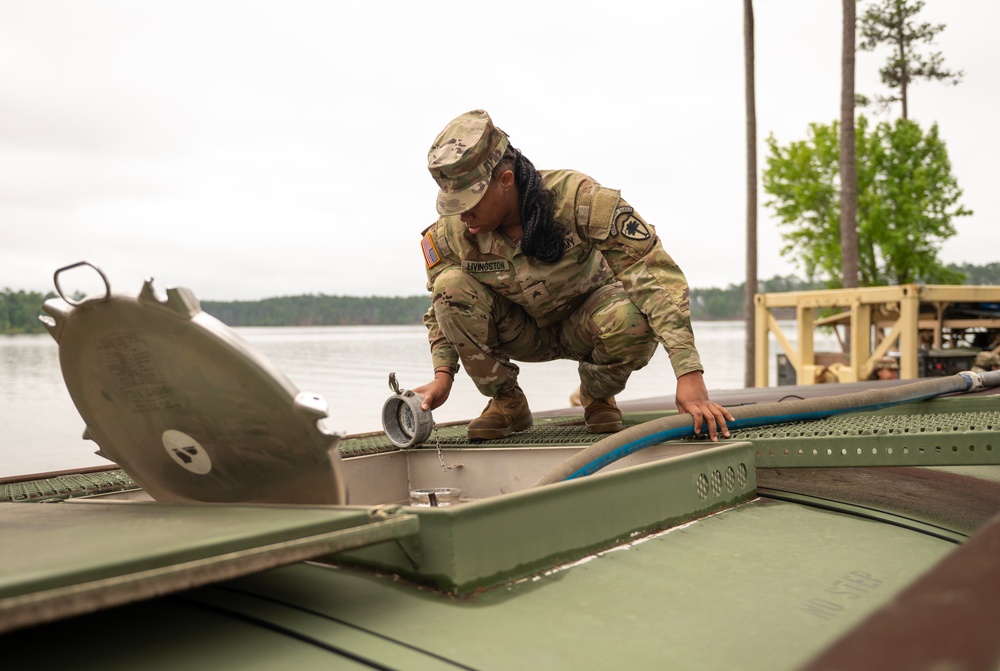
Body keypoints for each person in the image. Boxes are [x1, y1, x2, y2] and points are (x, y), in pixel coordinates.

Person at [413, 110, 732, 442]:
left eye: (471, 200)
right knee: (448, 285)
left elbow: (651, 271)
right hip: (520, 330)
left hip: (589, 320)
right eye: (453, 204)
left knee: (630, 320)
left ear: (505, 180)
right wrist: (443, 375)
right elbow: (440, 309)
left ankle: (596, 394)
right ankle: (507, 402)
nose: (463, 214)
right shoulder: (452, 231)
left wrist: (688, 372)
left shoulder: (577, 199)